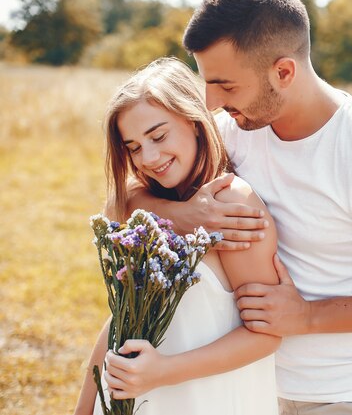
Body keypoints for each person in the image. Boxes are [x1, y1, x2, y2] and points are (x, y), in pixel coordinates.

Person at [126, 0, 352, 414]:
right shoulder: (235, 127)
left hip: (350, 393)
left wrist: (306, 316)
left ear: (283, 72)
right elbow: (125, 196)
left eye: (226, 85)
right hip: (256, 384)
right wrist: (186, 215)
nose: (211, 102)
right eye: (207, 82)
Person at [73, 57, 281, 415]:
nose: (149, 157)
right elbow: (123, 315)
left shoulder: (231, 204)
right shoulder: (151, 205)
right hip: (142, 397)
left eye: (158, 135)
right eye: (134, 147)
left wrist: (163, 372)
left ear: (195, 121)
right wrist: (85, 405)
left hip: (208, 398)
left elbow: (265, 335)